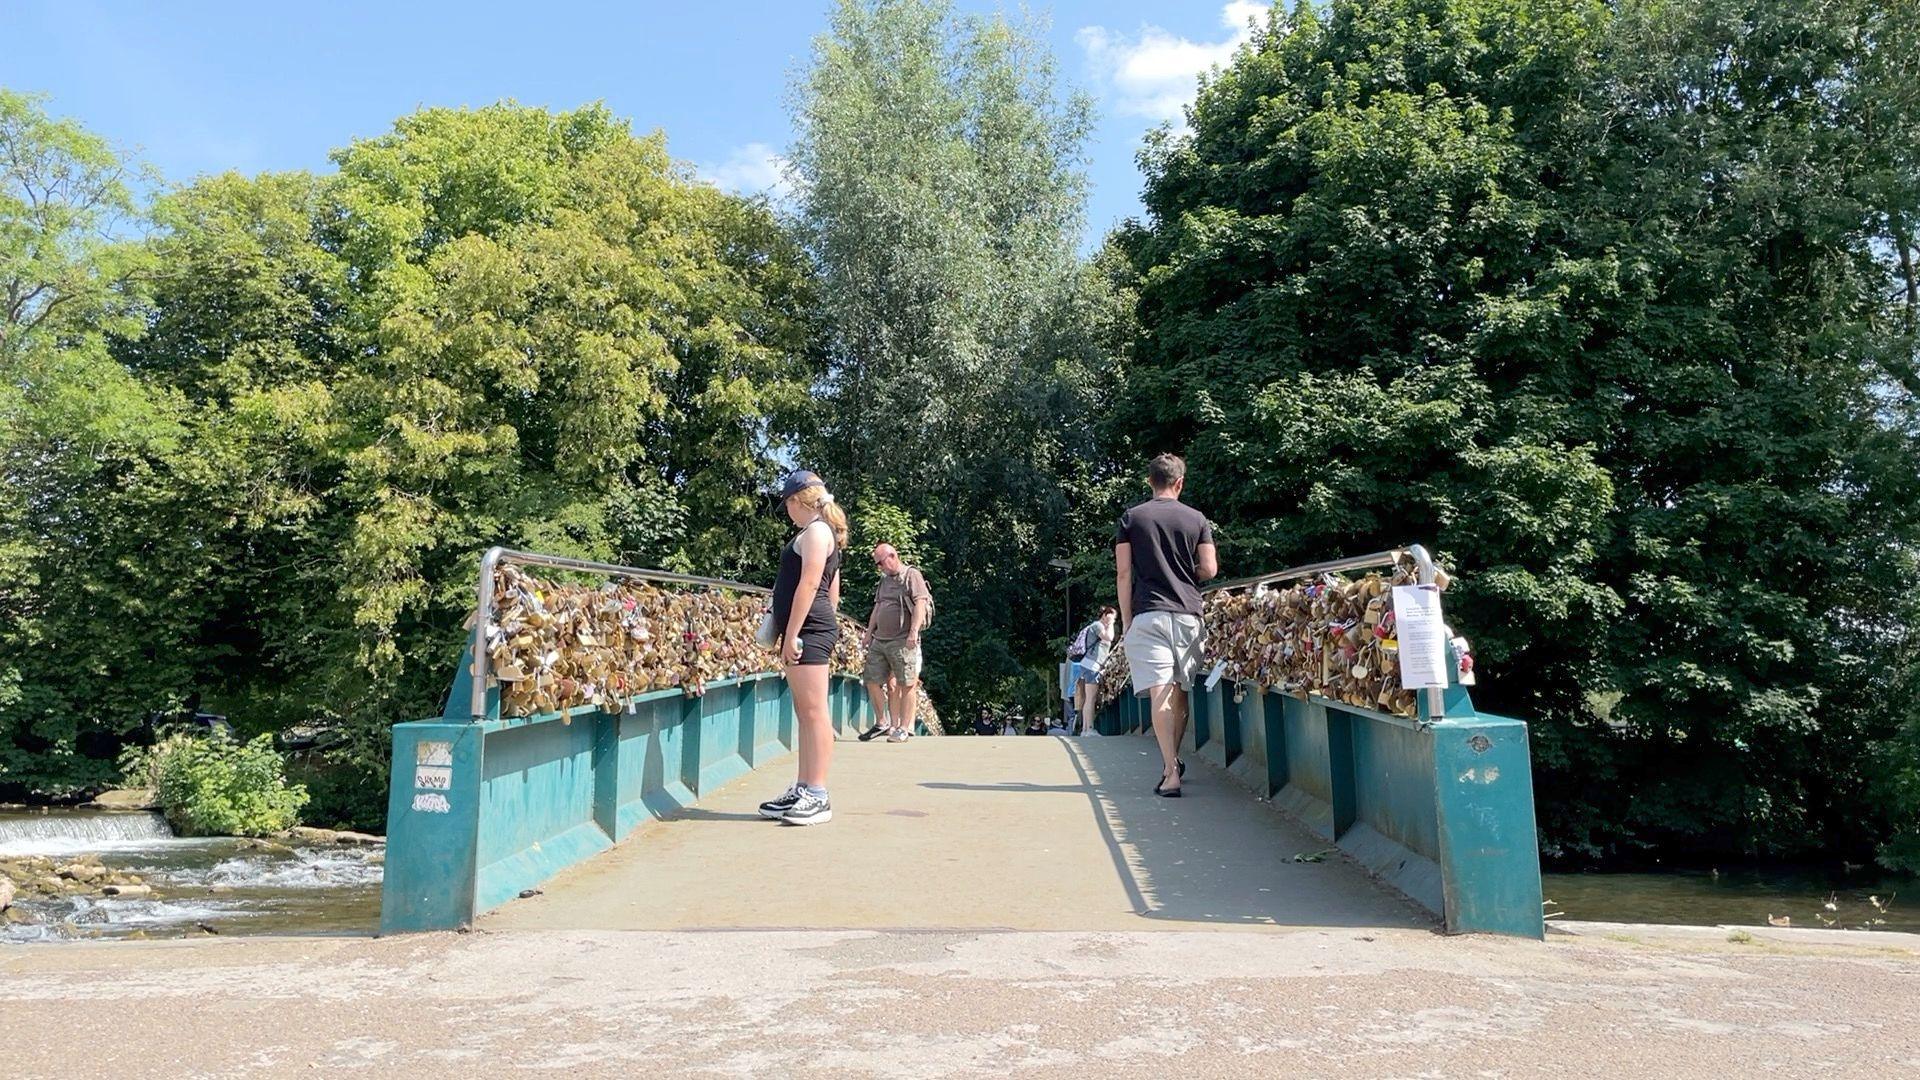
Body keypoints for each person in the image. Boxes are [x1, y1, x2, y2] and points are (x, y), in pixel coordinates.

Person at [1115, 453, 1217, 797]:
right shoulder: (1197, 519)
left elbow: (1124, 573)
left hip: (1148, 613)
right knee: (1180, 691)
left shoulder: (1132, 518)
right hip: (1188, 613)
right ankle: (1170, 763)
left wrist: (1126, 621)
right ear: (1179, 482)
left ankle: (1170, 771)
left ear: (1150, 482)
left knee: (1159, 691)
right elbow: (1210, 570)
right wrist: (1187, 573)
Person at [757, 470, 847, 826]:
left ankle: (818, 794)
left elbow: (810, 584)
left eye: (787, 504)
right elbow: (833, 592)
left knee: (814, 712)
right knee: (806, 712)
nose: (787, 511)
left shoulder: (816, 532)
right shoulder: (825, 533)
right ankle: (804, 787)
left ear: (797, 501)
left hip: (807, 628)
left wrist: (792, 632)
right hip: (813, 626)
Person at [861, 543, 931, 744]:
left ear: (892, 556)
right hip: (880, 640)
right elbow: (878, 607)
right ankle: (883, 722)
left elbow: (920, 603)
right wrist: (868, 633)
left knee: (906, 683)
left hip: (902, 640)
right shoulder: (884, 581)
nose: (879, 567)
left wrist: (913, 632)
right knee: (872, 680)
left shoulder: (911, 575)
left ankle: (902, 727)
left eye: (880, 563)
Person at [1067, 606, 1117, 736]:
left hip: (1090, 664)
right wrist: (1110, 624)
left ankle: (1085, 729)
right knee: (1091, 698)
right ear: (1105, 615)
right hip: (1092, 665)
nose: (1114, 620)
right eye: (1112, 616)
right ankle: (1089, 729)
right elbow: (1109, 637)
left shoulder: (1096, 626)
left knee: (1088, 698)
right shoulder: (1097, 626)